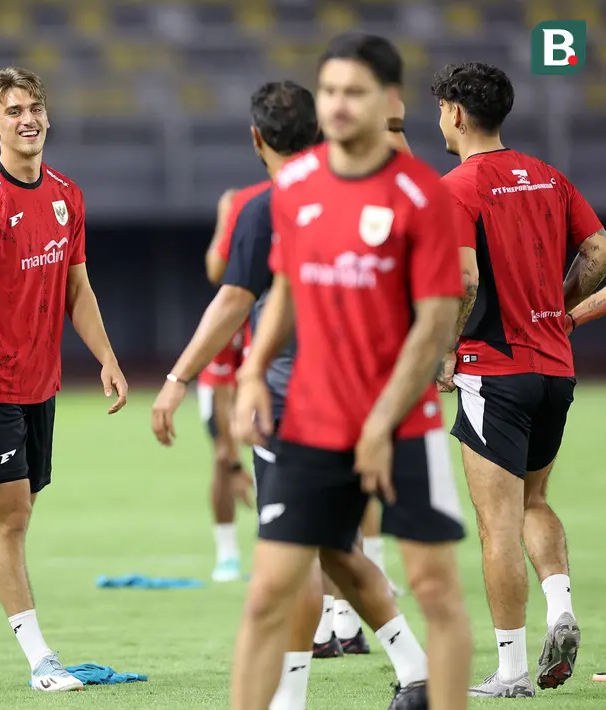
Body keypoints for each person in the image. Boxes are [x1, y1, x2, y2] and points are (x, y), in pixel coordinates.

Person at [230, 33, 473, 710]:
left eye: (353, 92)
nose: (337, 105)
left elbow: (430, 324)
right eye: (329, 91)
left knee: (434, 591)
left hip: (401, 424)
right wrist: (251, 372)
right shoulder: (295, 188)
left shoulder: (421, 195)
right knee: (265, 596)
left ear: (387, 100)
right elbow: (284, 289)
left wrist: (379, 423)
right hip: (310, 417)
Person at [0, 66, 127, 693]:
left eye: (35, 107)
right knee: (9, 520)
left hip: (41, 382)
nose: (28, 119)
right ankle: (41, 661)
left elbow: (78, 289)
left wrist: (108, 358)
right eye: (13, 111)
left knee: (8, 519)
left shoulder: (67, 193)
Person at [432, 61, 606, 696]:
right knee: (535, 501)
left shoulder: (458, 185)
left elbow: (466, 278)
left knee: (495, 524)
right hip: (555, 370)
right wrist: (562, 312)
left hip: (493, 370)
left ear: (454, 112)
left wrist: (445, 352)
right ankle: (560, 606)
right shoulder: (550, 177)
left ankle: (510, 671)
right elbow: (599, 255)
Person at [199, 182, 266, 583]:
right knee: (222, 464)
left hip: (263, 383)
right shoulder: (229, 316)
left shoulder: (280, 311)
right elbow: (221, 395)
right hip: (226, 385)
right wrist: (235, 462)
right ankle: (226, 552)